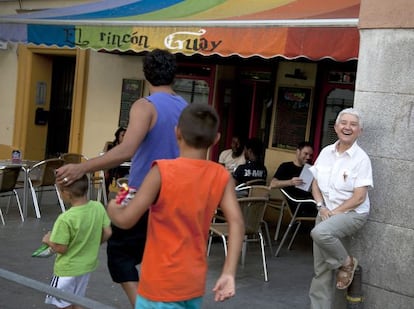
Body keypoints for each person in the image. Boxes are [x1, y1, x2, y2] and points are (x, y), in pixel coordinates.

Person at [55, 49, 188, 306]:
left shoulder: (144, 106)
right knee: (157, 258)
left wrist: (83, 167)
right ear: (174, 75)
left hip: (142, 194)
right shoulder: (185, 108)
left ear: (146, 74)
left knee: (120, 255)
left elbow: (126, 150)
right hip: (176, 196)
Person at [107, 103, 245, 308]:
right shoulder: (221, 176)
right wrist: (228, 272)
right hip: (193, 282)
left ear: (177, 132)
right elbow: (236, 222)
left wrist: (112, 208)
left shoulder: (161, 171)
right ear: (216, 139)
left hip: (159, 284)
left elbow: (127, 221)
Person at [308, 108, 373, 309]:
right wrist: (321, 206)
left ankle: (347, 263)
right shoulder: (326, 152)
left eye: (353, 124)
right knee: (322, 270)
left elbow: (359, 197)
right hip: (326, 212)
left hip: (352, 214)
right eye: (343, 123)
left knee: (319, 232)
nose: (347, 127)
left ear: (359, 131)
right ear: (336, 127)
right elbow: (315, 184)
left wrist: (334, 213)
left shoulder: (361, 159)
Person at [42, 175, 112, 308]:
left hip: (66, 270)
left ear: (66, 194)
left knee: (63, 304)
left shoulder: (65, 219)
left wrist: (49, 240)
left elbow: (61, 248)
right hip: (86, 266)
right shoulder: (98, 207)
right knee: (78, 300)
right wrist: (92, 243)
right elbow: (108, 232)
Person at [269, 141, 317, 217]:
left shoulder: (311, 169)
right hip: (297, 202)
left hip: (309, 201)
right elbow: (273, 184)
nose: (308, 157)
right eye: (306, 154)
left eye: (311, 155)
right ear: (298, 152)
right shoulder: (286, 166)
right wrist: (291, 182)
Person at [103, 127, 129, 194]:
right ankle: (105, 194)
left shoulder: (129, 147)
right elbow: (105, 158)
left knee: (126, 180)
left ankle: (125, 194)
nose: (125, 137)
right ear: (118, 136)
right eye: (123, 135)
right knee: (105, 175)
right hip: (112, 169)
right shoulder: (111, 146)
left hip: (125, 171)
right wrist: (106, 171)